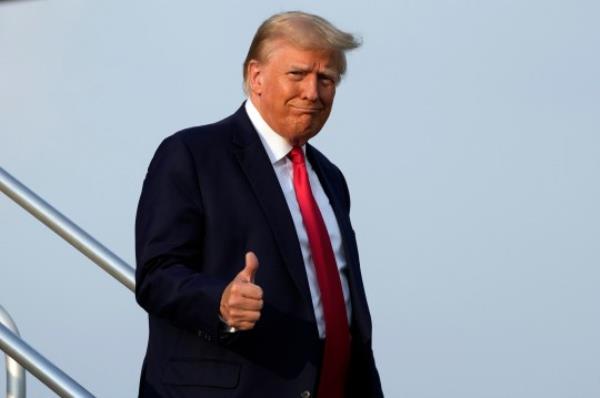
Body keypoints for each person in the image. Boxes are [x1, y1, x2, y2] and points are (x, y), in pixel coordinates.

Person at [135, 11, 383, 398]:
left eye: (326, 79)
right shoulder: (192, 155)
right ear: (256, 77)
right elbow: (156, 275)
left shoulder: (330, 178)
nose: (313, 93)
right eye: (298, 74)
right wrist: (219, 301)